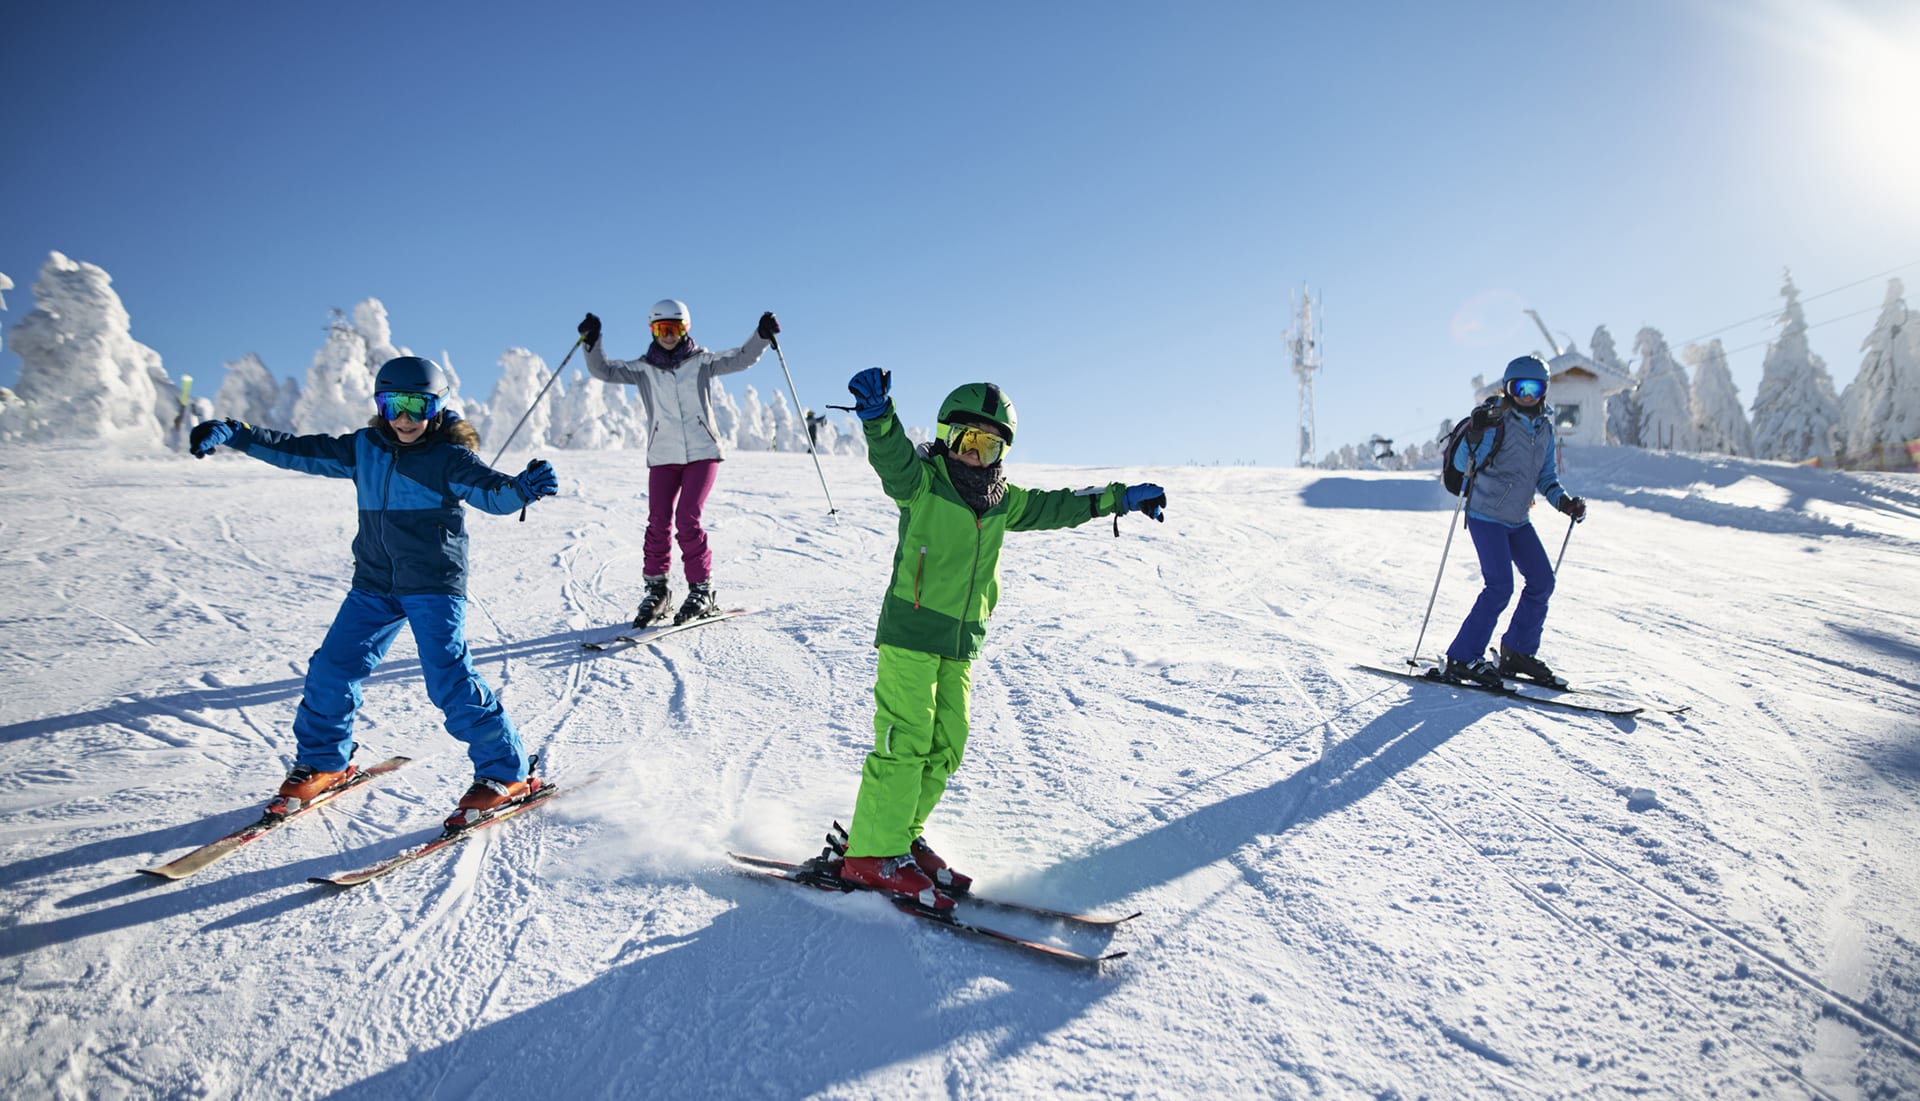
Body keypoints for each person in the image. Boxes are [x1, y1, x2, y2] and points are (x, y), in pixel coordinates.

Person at [826, 368, 1168, 909]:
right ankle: (871, 854)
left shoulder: (1004, 499)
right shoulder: (922, 482)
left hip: (960, 643)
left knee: (946, 745)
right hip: (911, 634)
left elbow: (1064, 503)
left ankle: (899, 834)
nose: (974, 455)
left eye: (988, 446)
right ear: (946, 436)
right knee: (906, 739)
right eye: (966, 441)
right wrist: (878, 418)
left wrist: (1119, 499)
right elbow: (892, 461)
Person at [188, 355, 560, 830]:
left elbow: (494, 494)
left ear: (438, 406)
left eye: (416, 406)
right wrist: (236, 432)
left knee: (448, 680)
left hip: (432, 585)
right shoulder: (364, 448)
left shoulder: (449, 458)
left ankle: (506, 772)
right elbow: (296, 449)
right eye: (392, 406)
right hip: (374, 584)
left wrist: (523, 489)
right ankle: (325, 761)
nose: (404, 419)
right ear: (379, 406)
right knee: (331, 669)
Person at [576, 301, 780, 627]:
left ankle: (702, 590)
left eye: (674, 329)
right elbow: (604, 370)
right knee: (657, 521)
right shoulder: (643, 369)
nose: (668, 336)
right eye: (661, 329)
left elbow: (741, 359)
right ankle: (657, 591)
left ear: (686, 328)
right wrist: (592, 341)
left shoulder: (702, 362)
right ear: (652, 331)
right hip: (662, 457)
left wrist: (761, 336)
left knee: (687, 518)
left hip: (702, 453)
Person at [1441, 353, 1587, 689]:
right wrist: (1476, 430)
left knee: (1542, 582)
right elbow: (1464, 463)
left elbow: (1547, 477)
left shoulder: (1545, 429)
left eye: (1534, 388)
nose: (1526, 395)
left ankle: (1517, 652)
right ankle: (1463, 657)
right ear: (1508, 388)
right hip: (1485, 515)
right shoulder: (1496, 420)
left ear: (1544, 391)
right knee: (1499, 587)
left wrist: (1563, 502)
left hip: (1518, 519)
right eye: (1519, 387)